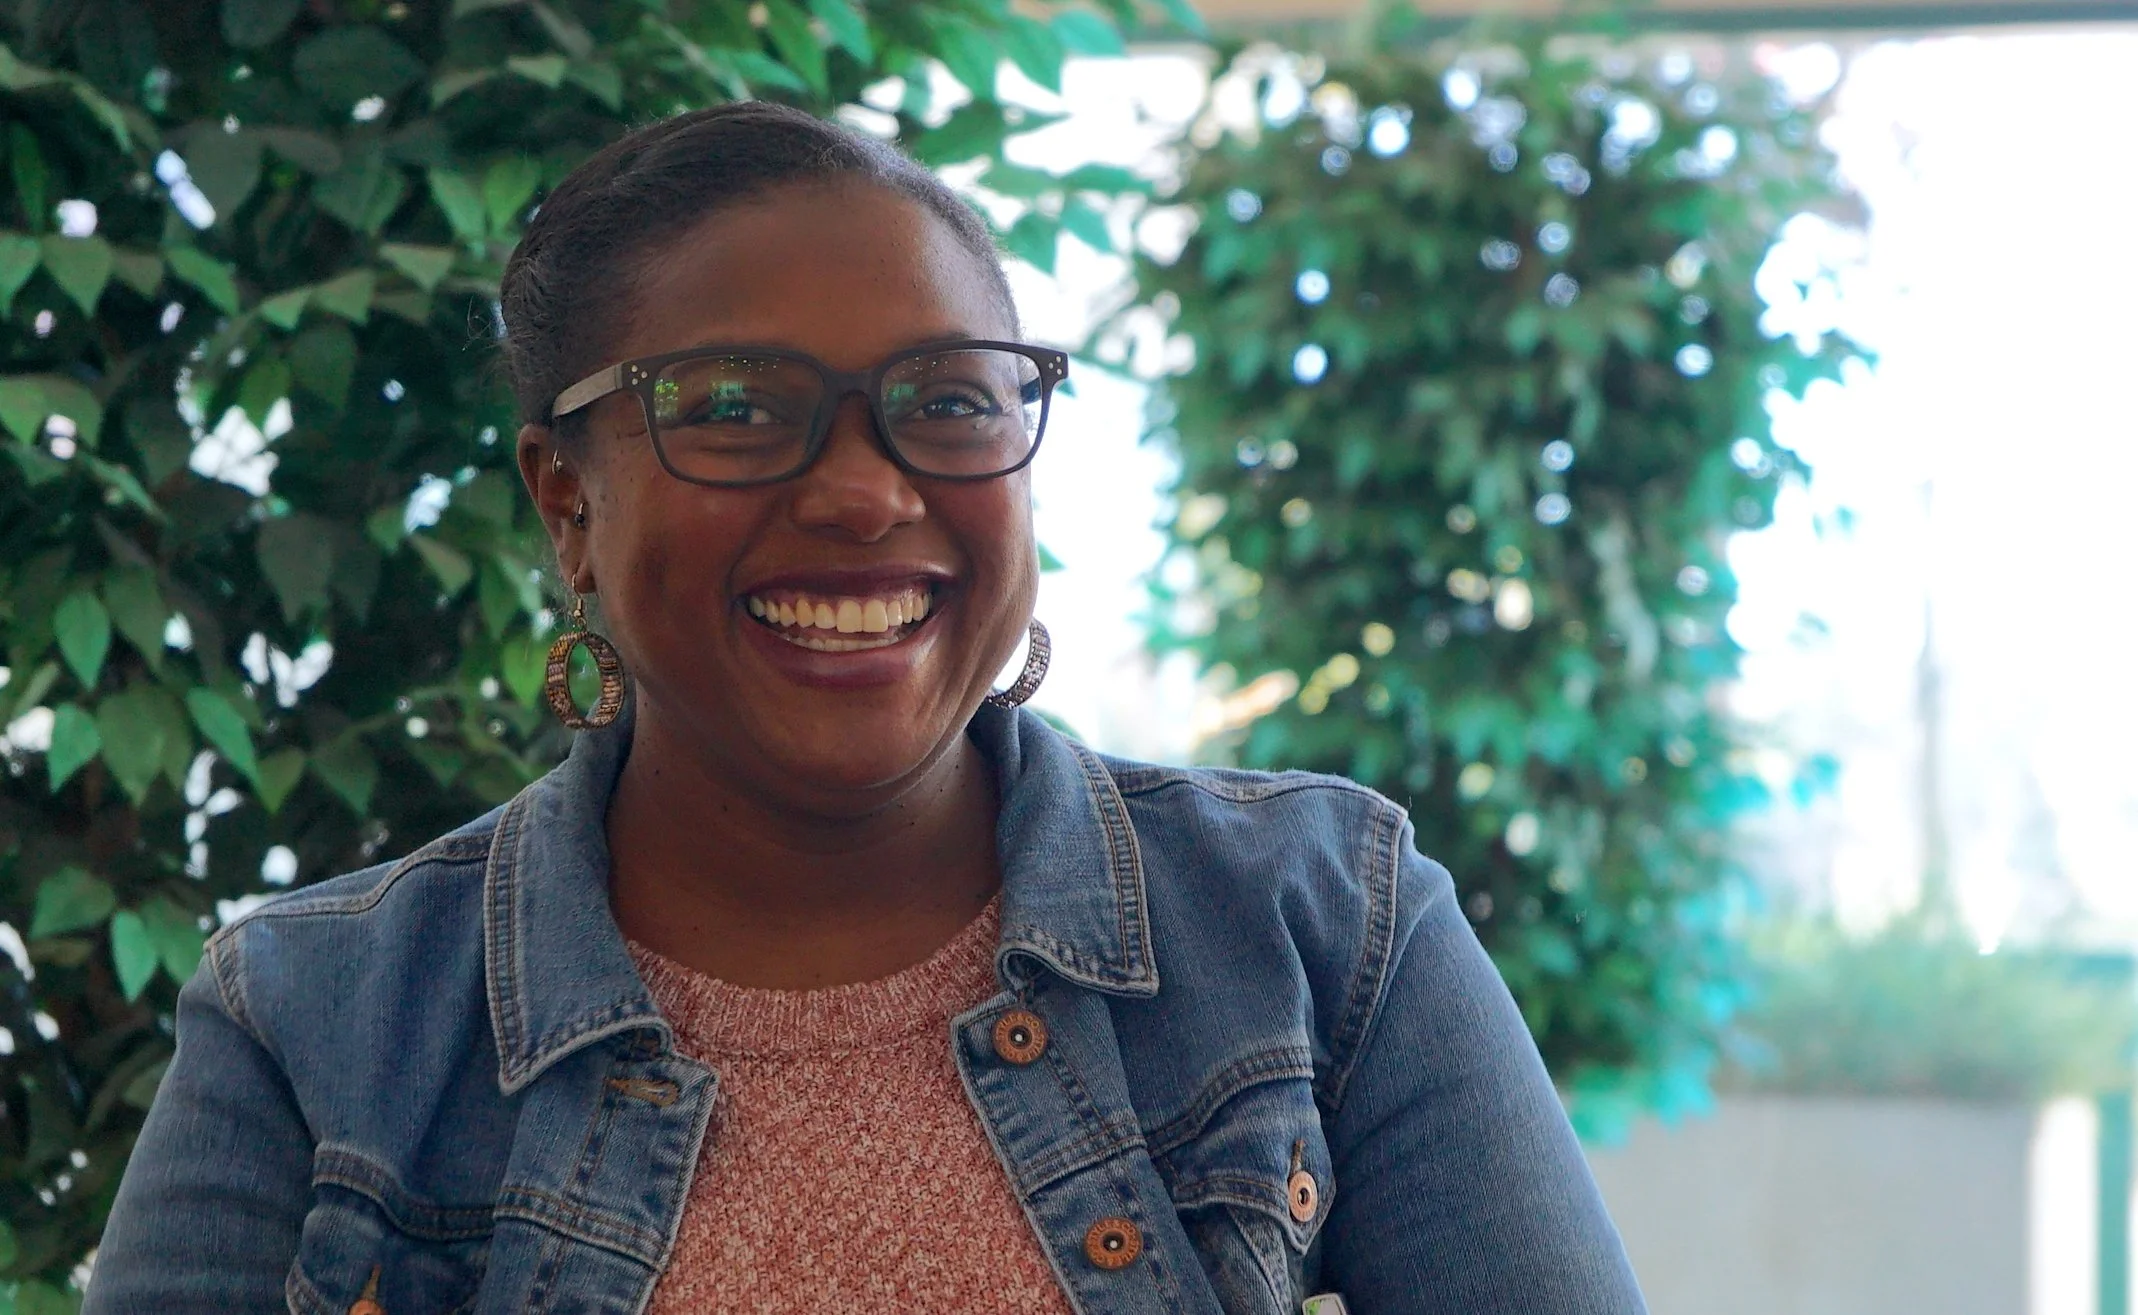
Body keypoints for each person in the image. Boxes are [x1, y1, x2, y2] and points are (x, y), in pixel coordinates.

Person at [86, 102, 1647, 1314]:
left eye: (952, 398)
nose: (861, 489)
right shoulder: (317, 1022)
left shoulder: (1321, 928)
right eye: (737, 408)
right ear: (565, 501)